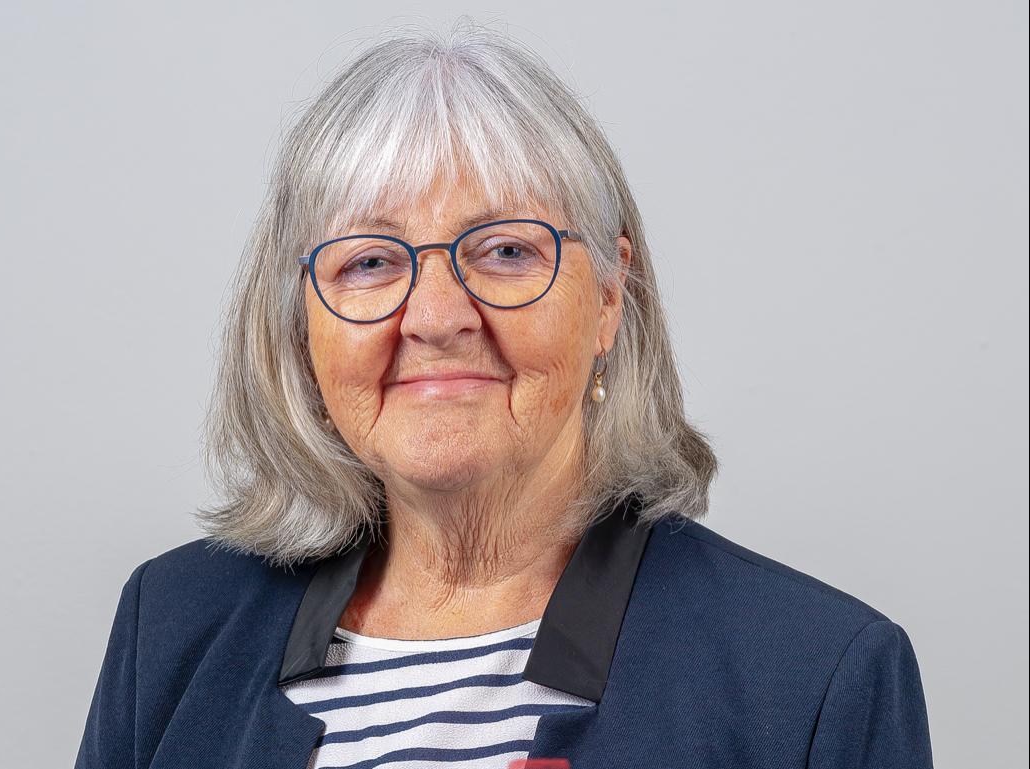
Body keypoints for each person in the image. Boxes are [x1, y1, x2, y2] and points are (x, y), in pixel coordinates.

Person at [76, 23, 933, 769]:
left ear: (609, 297)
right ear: (302, 324)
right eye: (368, 261)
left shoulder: (814, 675)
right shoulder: (171, 628)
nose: (435, 317)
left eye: (506, 251)